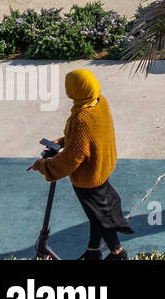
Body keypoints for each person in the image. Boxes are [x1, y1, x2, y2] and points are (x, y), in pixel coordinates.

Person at [31, 68, 133, 260]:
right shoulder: (100, 102)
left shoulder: (81, 118)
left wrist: (44, 166)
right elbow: (92, 136)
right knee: (96, 213)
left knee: (100, 217)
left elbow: (72, 159)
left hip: (88, 177)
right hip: (102, 166)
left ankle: (118, 253)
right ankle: (92, 252)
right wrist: (64, 140)